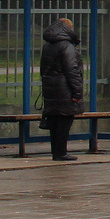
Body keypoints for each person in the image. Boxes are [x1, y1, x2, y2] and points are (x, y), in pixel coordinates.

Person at [40, 17, 84, 161]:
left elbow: (43, 69)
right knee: (65, 120)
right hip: (64, 89)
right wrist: (77, 92)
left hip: (50, 88)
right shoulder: (66, 46)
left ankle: (56, 152)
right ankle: (61, 152)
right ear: (67, 29)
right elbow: (72, 71)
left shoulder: (47, 46)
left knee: (54, 121)